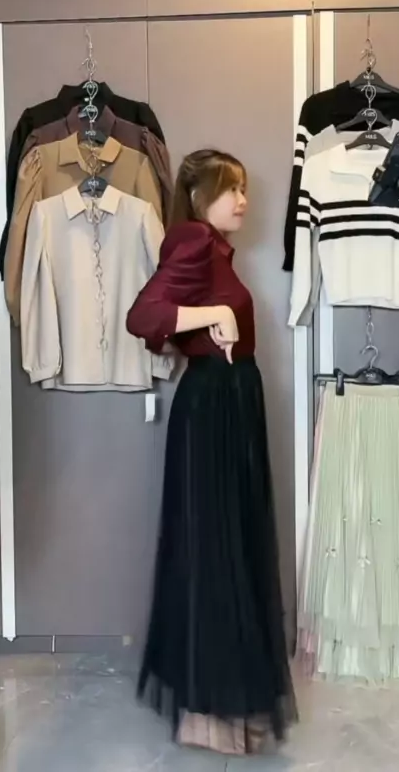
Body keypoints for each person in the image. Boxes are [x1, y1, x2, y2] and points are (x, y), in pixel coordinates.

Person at [126, 149, 297, 755]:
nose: (243, 200)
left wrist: (214, 311)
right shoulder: (193, 240)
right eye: (231, 189)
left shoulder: (215, 250)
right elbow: (143, 315)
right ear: (200, 198)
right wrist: (215, 311)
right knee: (214, 548)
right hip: (212, 407)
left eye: (245, 188)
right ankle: (209, 714)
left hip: (231, 403)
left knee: (230, 546)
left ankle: (226, 706)